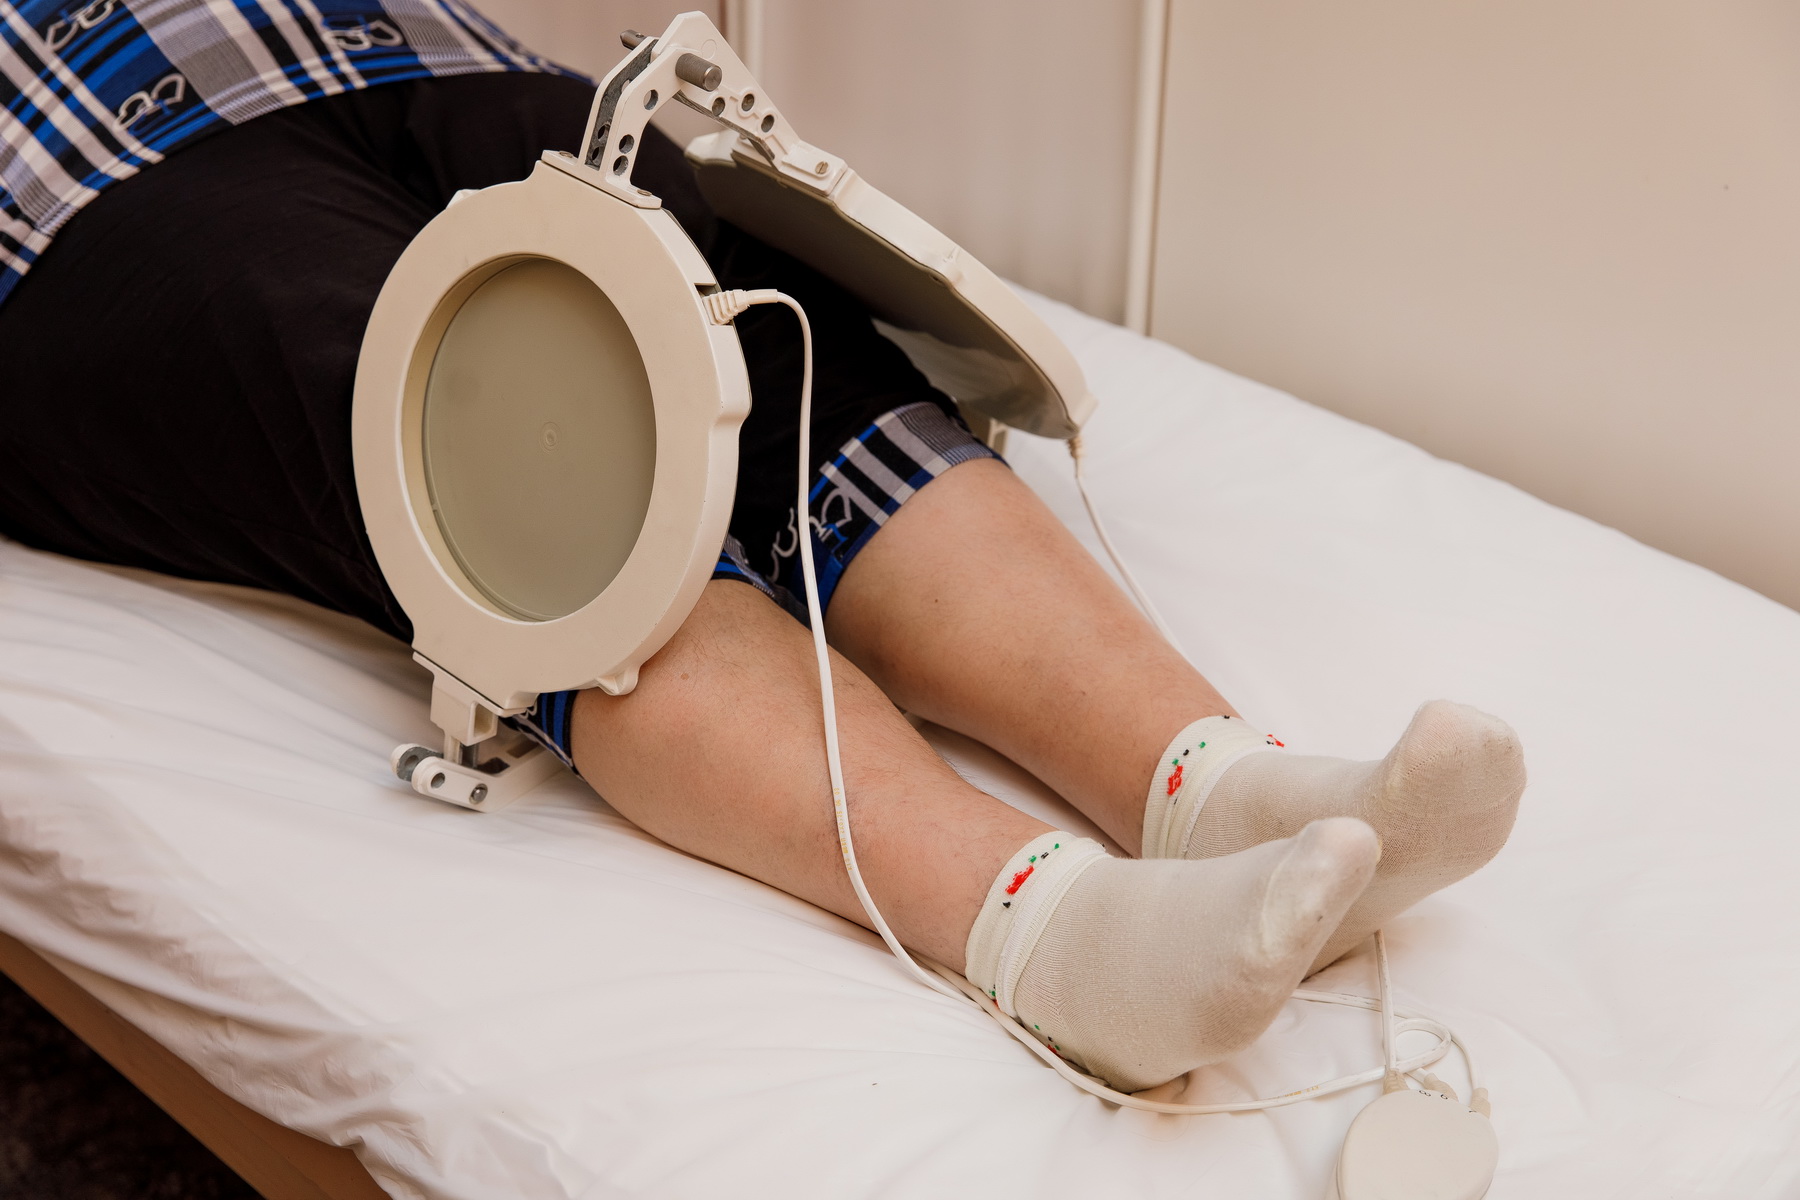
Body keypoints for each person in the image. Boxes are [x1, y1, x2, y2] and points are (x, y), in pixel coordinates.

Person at [0, 0, 1525, 1092]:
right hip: (64, 180)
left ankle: (1219, 792)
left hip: (390, 40)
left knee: (763, 331)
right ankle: (1060, 939)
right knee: (505, 489)